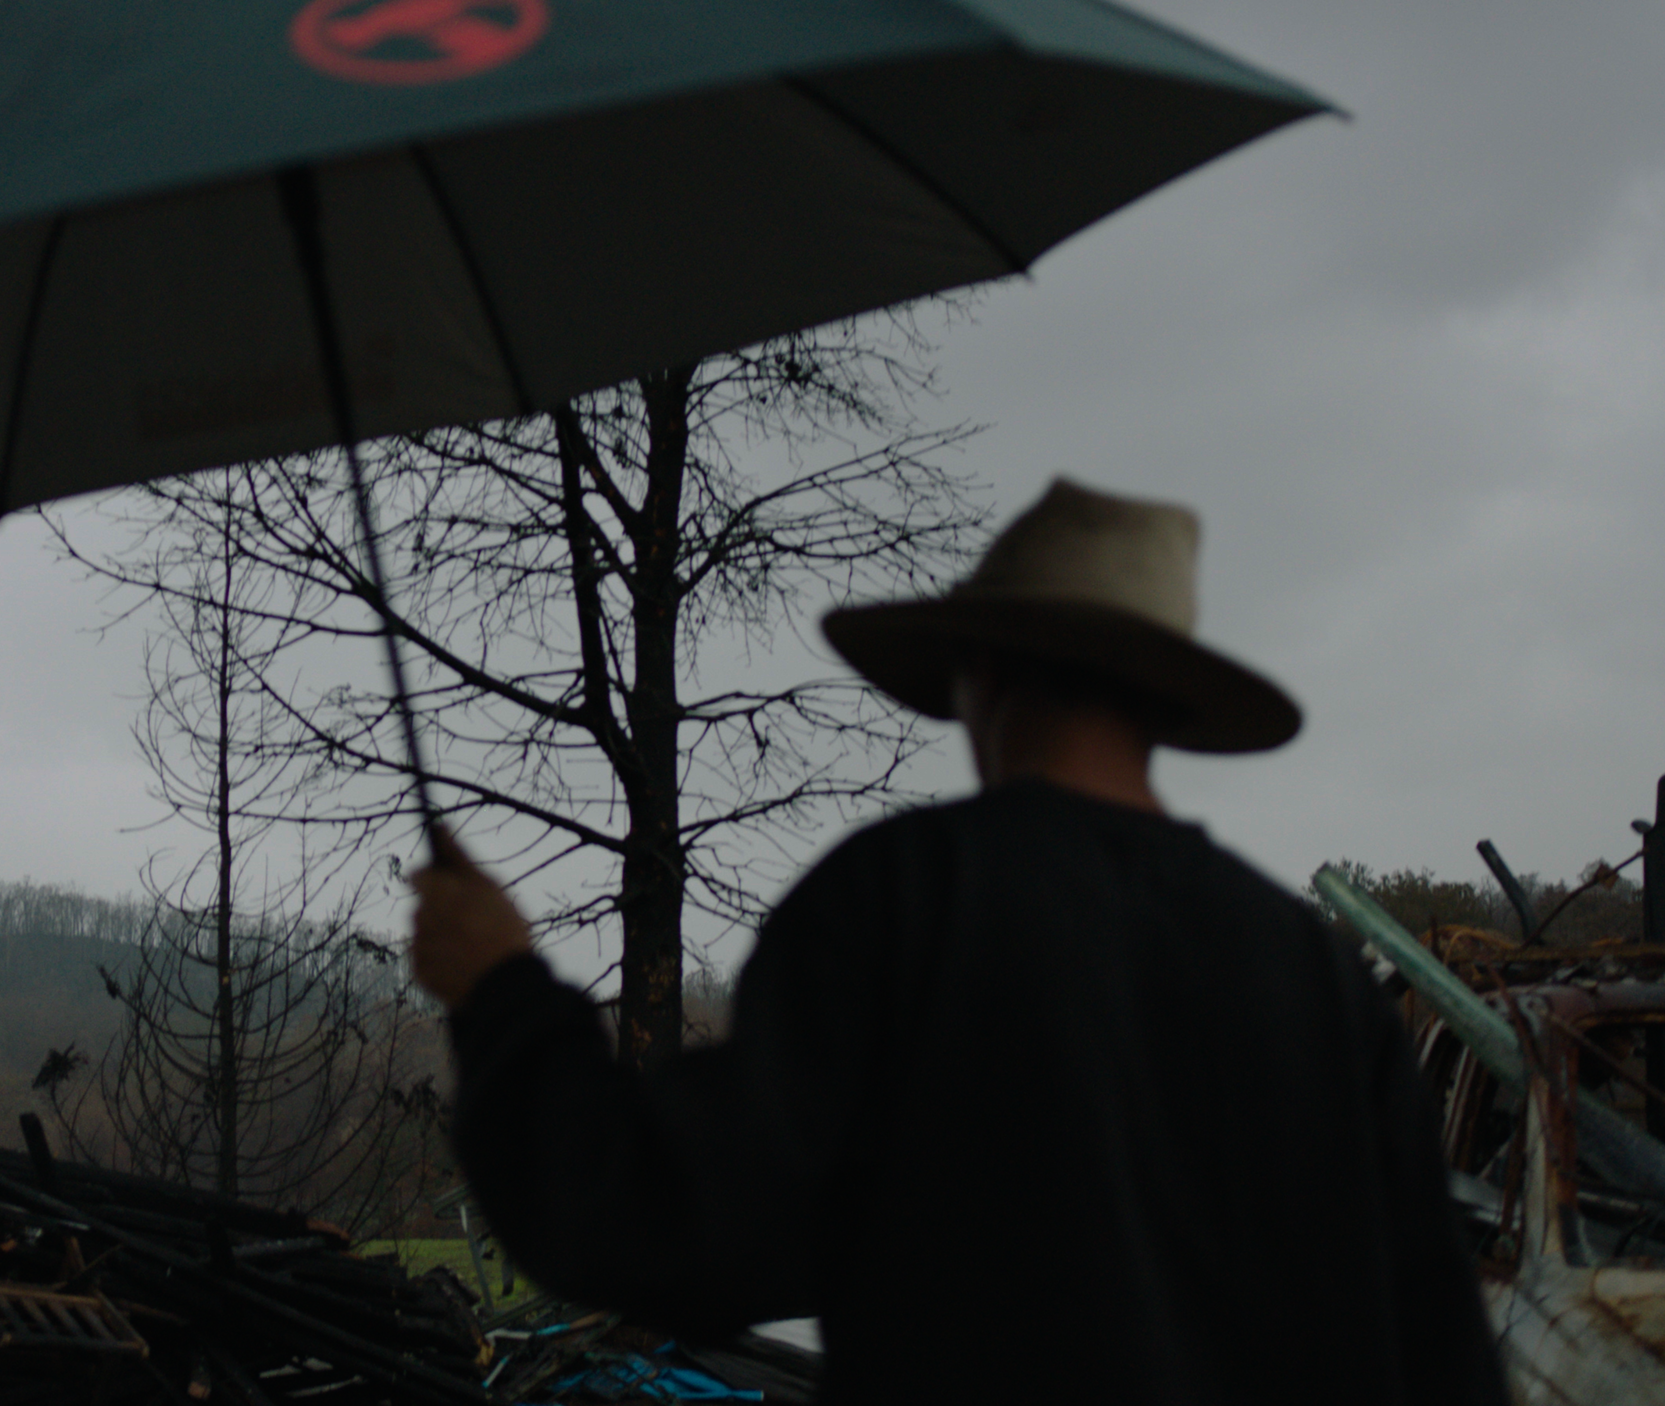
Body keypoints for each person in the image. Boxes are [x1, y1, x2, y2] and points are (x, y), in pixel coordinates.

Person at [409, 480, 1508, 1404]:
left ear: (982, 672)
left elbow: (656, 1224)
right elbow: (1440, 1354)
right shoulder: (1316, 973)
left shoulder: (904, 902)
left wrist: (501, 990)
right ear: (1159, 705)